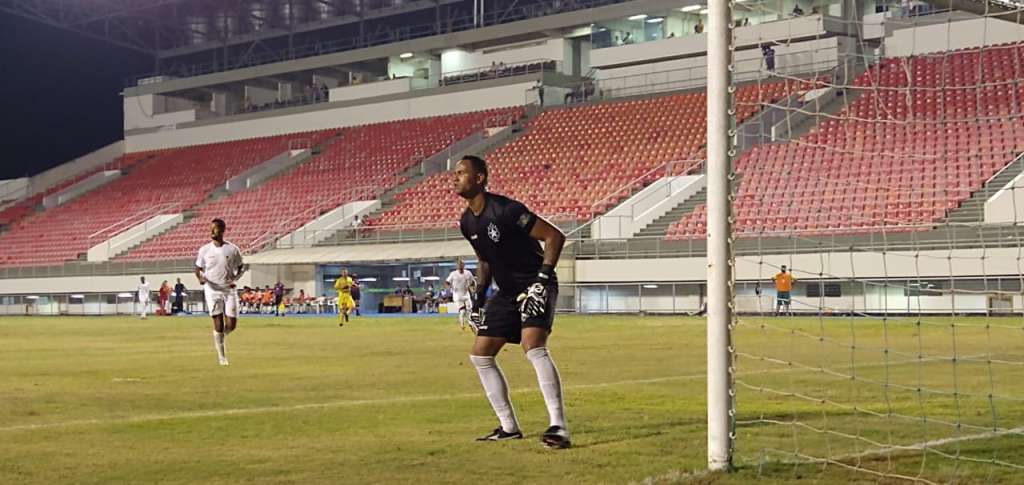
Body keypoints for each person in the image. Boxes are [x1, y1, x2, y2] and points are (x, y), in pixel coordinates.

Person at [454, 155, 570, 449]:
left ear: (479, 178)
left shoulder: (506, 210)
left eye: (461, 173)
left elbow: (554, 236)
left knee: (533, 346)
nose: (455, 178)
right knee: (480, 354)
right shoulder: (466, 222)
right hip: (506, 292)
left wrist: (541, 281)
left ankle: (558, 427)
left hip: (536, 283)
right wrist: (478, 301)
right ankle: (509, 427)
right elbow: (484, 262)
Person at [195, 218, 245, 366]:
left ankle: (220, 337)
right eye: (210, 228)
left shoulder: (232, 249)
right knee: (218, 323)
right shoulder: (204, 250)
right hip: (211, 289)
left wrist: (235, 278)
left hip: (229, 289)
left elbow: (241, 267)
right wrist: (200, 278)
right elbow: (197, 268)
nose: (211, 231)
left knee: (232, 324)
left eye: (215, 228)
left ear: (222, 230)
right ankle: (222, 357)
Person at [446, 258, 477, 331]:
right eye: (459, 264)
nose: (460, 266)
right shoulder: (453, 274)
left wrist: (473, 289)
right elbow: (447, 282)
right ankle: (462, 325)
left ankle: (470, 323)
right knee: (462, 310)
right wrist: (449, 289)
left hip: (466, 293)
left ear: (464, 265)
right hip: (457, 295)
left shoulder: (468, 273)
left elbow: (472, 282)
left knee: (470, 309)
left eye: (462, 264)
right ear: (457, 266)